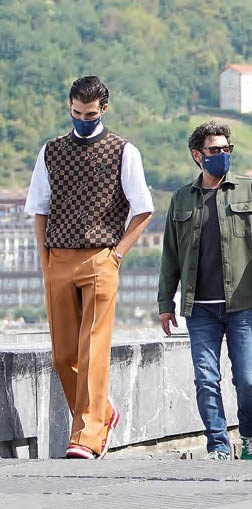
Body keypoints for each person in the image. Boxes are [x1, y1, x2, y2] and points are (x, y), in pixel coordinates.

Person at [24, 76, 154, 459]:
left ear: (103, 110)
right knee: (63, 355)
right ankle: (104, 412)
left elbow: (143, 209)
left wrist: (117, 255)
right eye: (78, 113)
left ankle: (88, 435)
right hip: (58, 258)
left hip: (101, 256)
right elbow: (40, 209)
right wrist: (45, 261)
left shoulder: (124, 151)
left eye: (90, 114)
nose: (83, 119)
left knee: (94, 348)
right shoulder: (50, 151)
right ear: (70, 107)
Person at [158, 121, 252, 460]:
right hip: (200, 308)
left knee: (248, 381)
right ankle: (217, 444)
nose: (222, 155)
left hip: (243, 304)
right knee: (206, 379)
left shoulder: (251, 191)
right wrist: (165, 302)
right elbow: (171, 254)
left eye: (226, 149)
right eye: (214, 150)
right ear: (197, 155)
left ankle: (249, 436)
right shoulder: (181, 198)